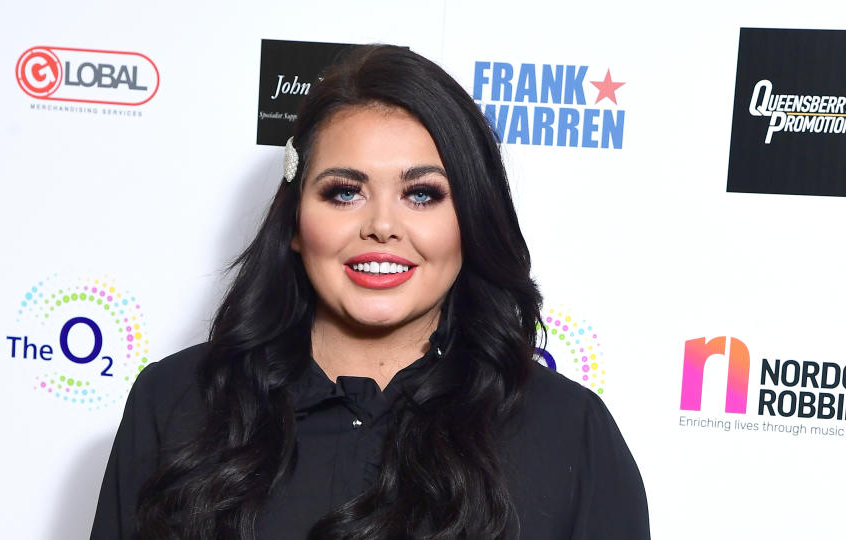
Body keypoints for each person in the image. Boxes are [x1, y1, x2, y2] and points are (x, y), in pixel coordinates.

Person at [90, 45, 649, 540]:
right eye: (344, 193)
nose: (382, 226)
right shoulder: (175, 401)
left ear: (472, 221)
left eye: (423, 195)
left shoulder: (569, 431)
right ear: (293, 221)